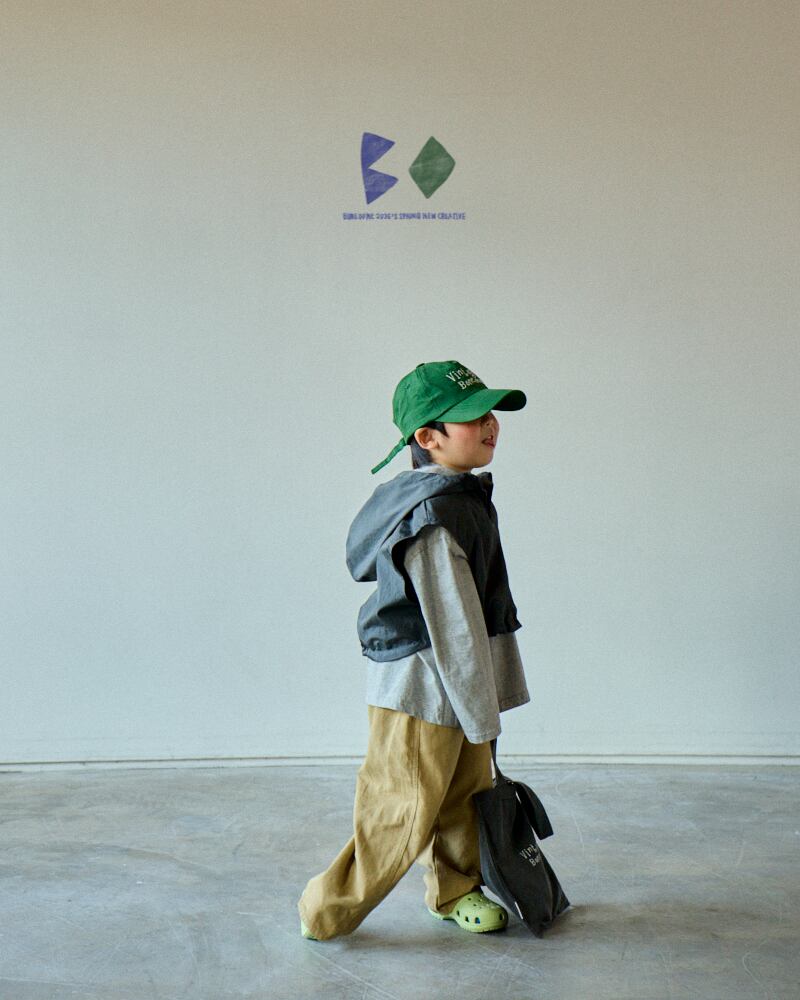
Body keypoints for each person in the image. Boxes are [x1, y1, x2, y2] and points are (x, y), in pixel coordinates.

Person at [297, 360, 530, 941]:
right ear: (428, 437)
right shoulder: (432, 515)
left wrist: (482, 698)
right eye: (471, 416)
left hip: (460, 682)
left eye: (490, 412)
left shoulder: (461, 495)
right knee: (400, 807)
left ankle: (454, 890)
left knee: (463, 796)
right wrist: (482, 708)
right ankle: (326, 910)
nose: (490, 424)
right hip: (423, 687)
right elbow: (453, 625)